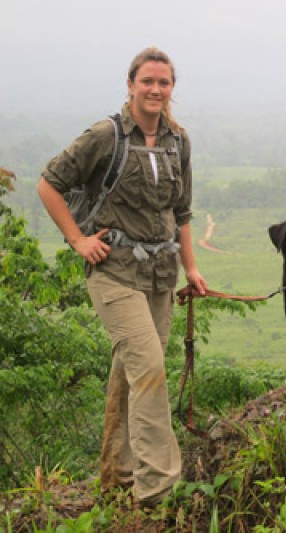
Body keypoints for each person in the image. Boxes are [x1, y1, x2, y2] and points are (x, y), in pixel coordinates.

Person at [37, 46, 207, 506]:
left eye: (164, 82)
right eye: (147, 81)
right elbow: (48, 183)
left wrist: (190, 268)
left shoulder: (178, 141)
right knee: (150, 370)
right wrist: (78, 240)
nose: (155, 90)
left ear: (172, 88)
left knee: (130, 371)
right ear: (130, 84)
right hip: (113, 272)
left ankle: (116, 475)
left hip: (160, 276)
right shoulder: (105, 135)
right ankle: (158, 488)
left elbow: (182, 211)